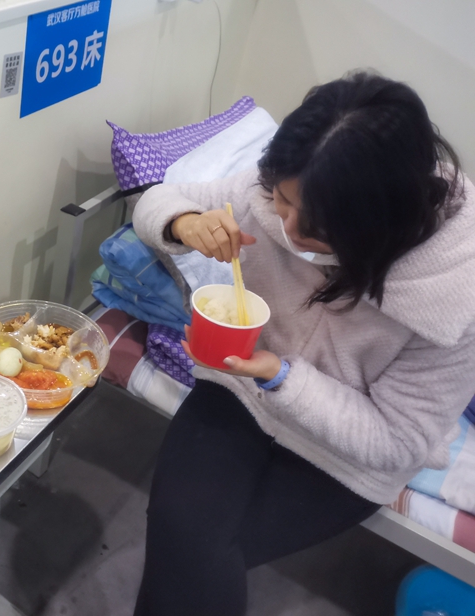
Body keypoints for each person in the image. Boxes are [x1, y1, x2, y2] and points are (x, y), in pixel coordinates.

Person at [131, 71, 475, 615]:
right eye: (283, 200)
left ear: (376, 224)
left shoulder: (456, 290)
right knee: (186, 535)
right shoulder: (281, 186)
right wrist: (183, 222)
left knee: (195, 553)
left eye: (315, 227)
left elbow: (398, 439)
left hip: (346, 454)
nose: (287, 228)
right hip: (241, 390)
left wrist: (281, 376)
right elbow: (155, 201)